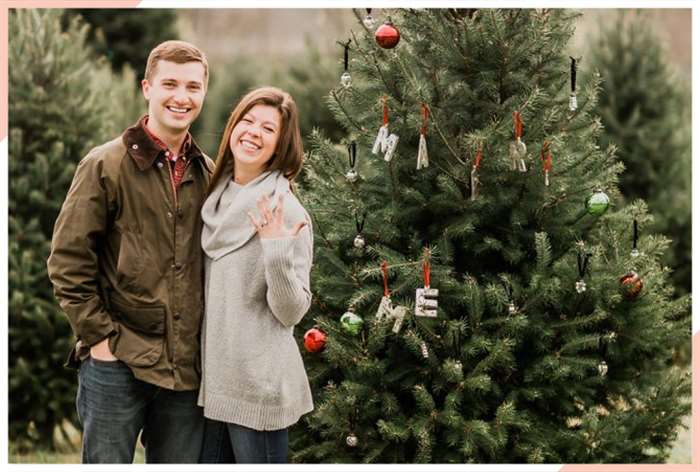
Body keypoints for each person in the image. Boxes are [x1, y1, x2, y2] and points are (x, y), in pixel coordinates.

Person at [46, 40, 213, 463]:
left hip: (186, 369)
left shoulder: (209, 172)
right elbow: (68, 262)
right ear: (147, 88)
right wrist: (100, 339)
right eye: (170, 84)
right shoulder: (105, 165)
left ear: (204, 93)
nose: (181, 97)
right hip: (117, 361)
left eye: (193, 87)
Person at [198, 86, 314, 463]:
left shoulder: (288, 214)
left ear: (281, 145)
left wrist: (276, 250)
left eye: (268, 128)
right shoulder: (215, 199)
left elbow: (292, 312)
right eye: (247, 121)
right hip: (213, 384)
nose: (252, 132)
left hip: (257, 389)